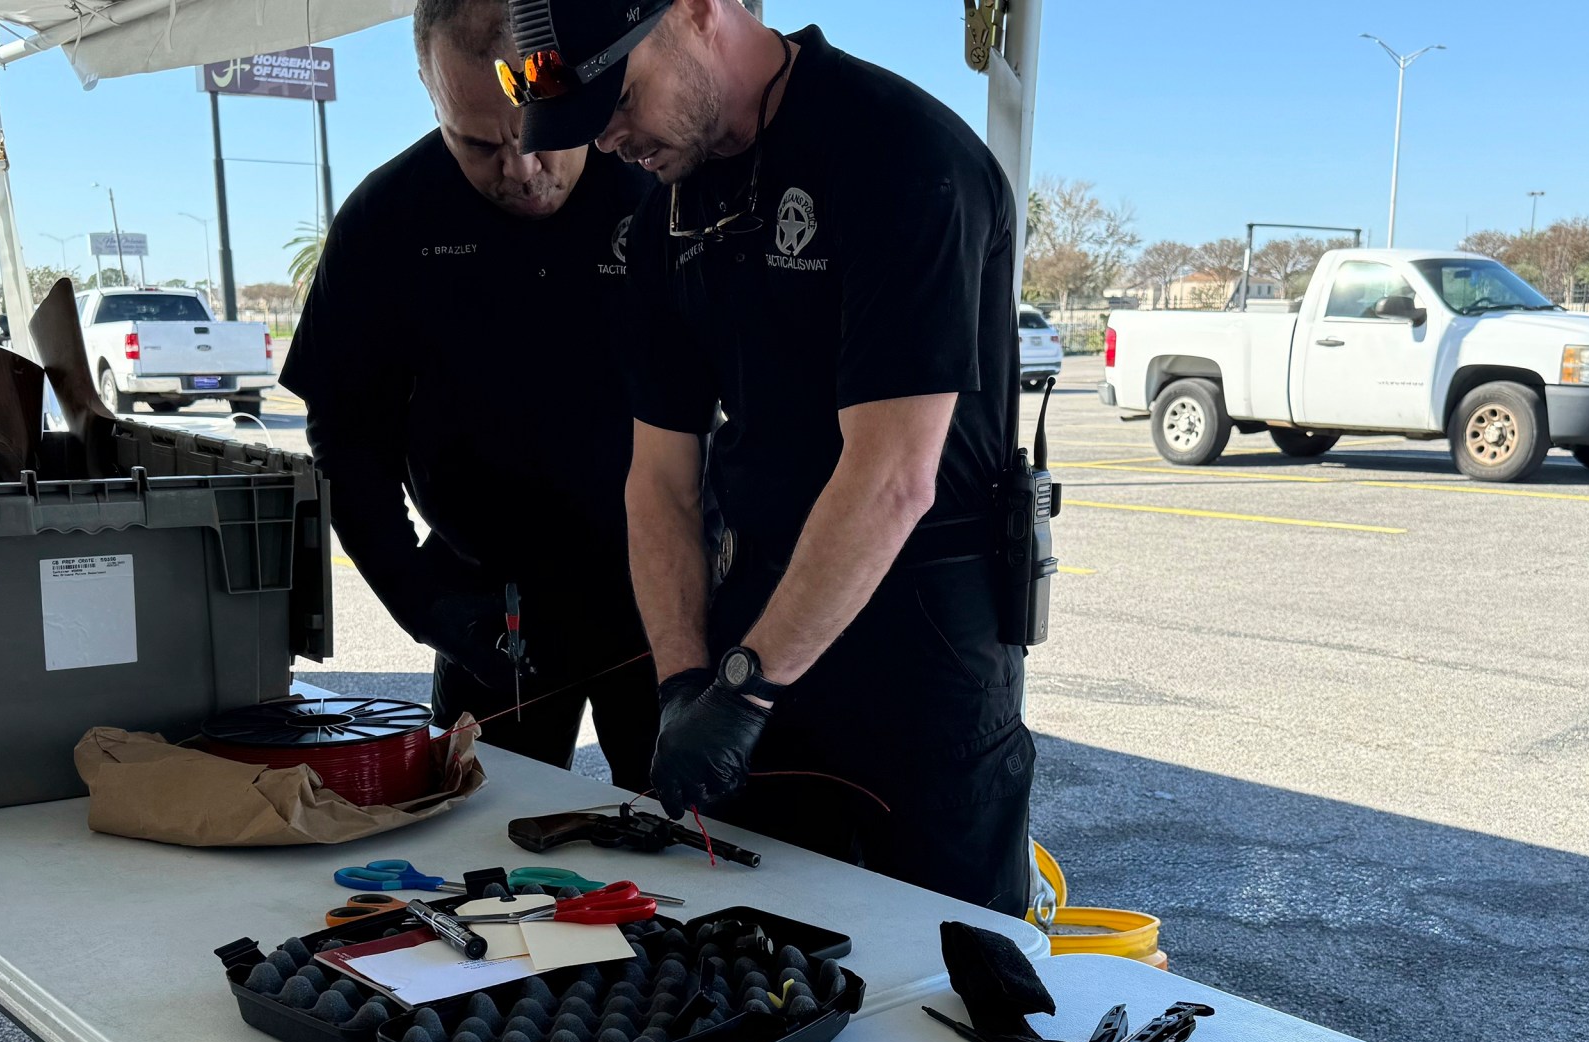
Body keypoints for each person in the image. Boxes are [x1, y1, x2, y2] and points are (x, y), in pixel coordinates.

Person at [501, 0, 1035, 915]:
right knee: (762, 962)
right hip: (757, 636)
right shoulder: (669, 214)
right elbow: (660, 483)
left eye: (619, 100)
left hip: (922, 650)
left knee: (946, 987)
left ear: (702, 11)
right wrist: (681, 683)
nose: (612, 139)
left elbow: (891, 477)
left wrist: (744, 693)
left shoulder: (903, 158)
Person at [282, 0, 657, 789]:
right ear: (428, 87)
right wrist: (417, 602)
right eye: (479, 144)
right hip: (491, 608)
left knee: (697, 851)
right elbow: (348, 444)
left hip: (664, 601)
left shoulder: (654, 186)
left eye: (541, 133)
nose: (521, 169)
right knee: (481, 854)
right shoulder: (387, 221)